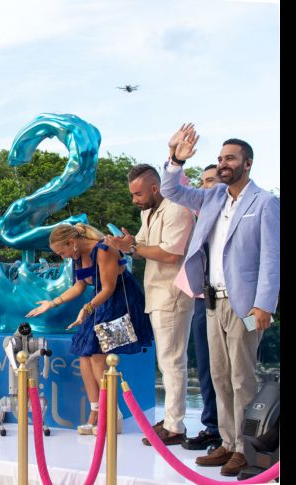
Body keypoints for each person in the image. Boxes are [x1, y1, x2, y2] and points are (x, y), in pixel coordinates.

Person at [161, 125, 279, 476]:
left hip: (245, 306)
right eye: (220, 159)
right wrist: (176, 159)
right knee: (219, 376)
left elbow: (273, 258)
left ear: (248, 164)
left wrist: (264, 306)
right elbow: (170, 189)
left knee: (243, 378)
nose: (223, 164)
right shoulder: (212, 196)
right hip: (211, 302)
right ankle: (227, 443)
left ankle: (245, 448)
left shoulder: (266, 203)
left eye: (230, 158)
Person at [26, 223, 153, 435]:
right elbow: (79, 286)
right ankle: (95, 412)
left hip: (121, 301)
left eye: (62, 252)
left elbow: (109, 288)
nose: (63, 257)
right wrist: (53, 302)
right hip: (100, 302)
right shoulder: (77, 257)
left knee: (96, 355)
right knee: (84, 355)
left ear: (72, 243)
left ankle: (111, 413)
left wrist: (86, 309)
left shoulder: (104, 249)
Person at [105, 164, 195, 446]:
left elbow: (170, 253)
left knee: (172, 362)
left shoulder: (178, 208)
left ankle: (175, 426)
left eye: (138, 194)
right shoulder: (149, 211)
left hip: (173, 294)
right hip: (156, 293)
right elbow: (143, 245)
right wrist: (128, 242)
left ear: (155, 188)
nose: (135, 200)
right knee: (166, 361)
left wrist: (131, 248)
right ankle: (170, 420)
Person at [177, 163, 222, 452]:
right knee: (205, 367)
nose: (205, 186)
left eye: (211, 180)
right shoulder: (200, 214)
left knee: (233, 371)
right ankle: (213, 427)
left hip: (235, 302)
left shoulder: (239, 213)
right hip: (201, 299)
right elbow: (173, 188)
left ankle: (237, 435)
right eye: (202, 181)